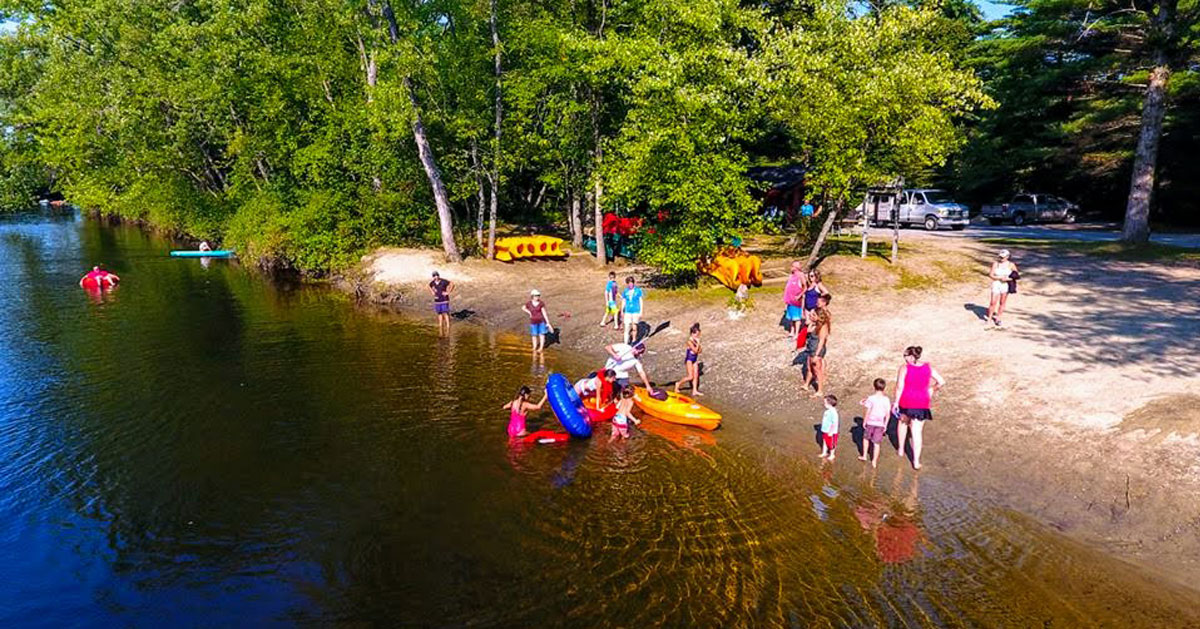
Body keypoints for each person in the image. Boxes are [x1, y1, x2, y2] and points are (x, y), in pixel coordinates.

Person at [893, 346, 946, 470]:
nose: (904, 358)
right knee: (917, 432)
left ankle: (901, 449)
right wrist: (932, 389)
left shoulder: (904, 368)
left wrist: (896, 402)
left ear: (911, 356)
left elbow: (899, 387)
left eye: (905, 356)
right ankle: (916, 461)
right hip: (922, 402)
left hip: (906, 400)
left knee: (903, 423)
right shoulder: (928, 367)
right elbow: (941, 381)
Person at [801, 295, 832, 397]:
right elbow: (808, 331)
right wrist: (811, 322)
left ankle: (820, 390)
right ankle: (806, 384)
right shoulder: (815, 324)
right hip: (811, 348)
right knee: (809, 368)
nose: (811, 316)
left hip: (817, 350)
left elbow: (822, 341)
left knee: (817, 370)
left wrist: (817, 355)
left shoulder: (823, 327)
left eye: (813, 315)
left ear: (819, 316)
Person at [859, 378, 891, 468]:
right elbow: (888, 414)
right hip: (880, 423)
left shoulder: (871, 398)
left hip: (870, 422)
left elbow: (868, 410)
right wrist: (886, 424)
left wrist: (864, 421)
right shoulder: (886, 400)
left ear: (874, 387)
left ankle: (864, 455)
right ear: (884, 388)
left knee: (866, 439)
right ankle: (874, 461)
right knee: (877, 443)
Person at [986, 249, 1019, 328]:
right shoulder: (995, 264)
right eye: (1000, 257)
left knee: (1002, 302)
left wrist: (1008, 279)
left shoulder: (1011, 265)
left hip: (1005, 285)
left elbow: (1016, 276)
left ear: (1007, 257)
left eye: (1003, 257)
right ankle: (989, 319)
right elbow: (991, 275)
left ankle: (998, 318)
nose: (1001, 258)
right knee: (993, 302)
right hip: (996, 284)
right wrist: (999, 278)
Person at [674, 323, 703, 396]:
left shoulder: (696, 341)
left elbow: (700, 351)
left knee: (696, 376)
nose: (698, 336)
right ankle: (678, 384)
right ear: (693, 334)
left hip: (695, 360)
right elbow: (696, 350)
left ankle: (694, 390)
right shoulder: (689, 342)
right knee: (690, 377)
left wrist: (698, 345)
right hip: (689, 360)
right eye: (697, 334)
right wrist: (698, 344)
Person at [783, 261, 807, 339]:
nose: (791, 268)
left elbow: (805, 287)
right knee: (790, 317)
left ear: (797, 268)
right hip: (790, 300)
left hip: (796, 301)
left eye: (793, 266)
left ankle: (797, 333)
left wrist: (799, 295)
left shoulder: (801, 275)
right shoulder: (791, 276)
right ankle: (792, 331)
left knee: (796, 318)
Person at [620, 276, 644, 344]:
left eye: (632, 283)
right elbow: (623, 301)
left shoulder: (638, 290)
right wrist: (622, 310)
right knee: (627, 327)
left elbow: (640, 301)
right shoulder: (625, 291)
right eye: (629, 283)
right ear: (627, 284)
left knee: (634, 327)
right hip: (627, 311)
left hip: (636, 311)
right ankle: (625, 343)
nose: (631, 284)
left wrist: (641, 311)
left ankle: (634, 341)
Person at [820, 394, 839, 461]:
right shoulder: (827, 411)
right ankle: (824, 452)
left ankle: (832, 454)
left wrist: (831, 431)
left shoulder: (833, 412)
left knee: (832, 444)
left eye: (825, 403)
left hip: (832, 432)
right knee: (825, 441)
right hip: (825, 430)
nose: (824, 404)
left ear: (829, 404)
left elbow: (834, 423)